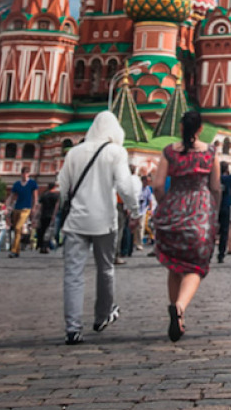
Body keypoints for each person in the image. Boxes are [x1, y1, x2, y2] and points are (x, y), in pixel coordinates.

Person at [57, 111, 142, 345]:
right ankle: (103, 315)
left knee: (73, 275)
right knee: (105, 270)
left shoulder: (74, 152)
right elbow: (125, 186)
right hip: (104, 220)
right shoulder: (116, 152)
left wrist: (67, 207)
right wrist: (134, 211)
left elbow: (63, 186)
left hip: (76, 221)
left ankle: (72, 329)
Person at [152, 111, 220, 342]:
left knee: (175, 264)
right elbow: (215, 187)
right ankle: (180, 306)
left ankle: (177, 316)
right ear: (200, 129)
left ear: (181, 128)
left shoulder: (169, 152)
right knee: (195, 266)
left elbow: (158, 185)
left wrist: (166, 206)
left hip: (174, 206)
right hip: (200, 211)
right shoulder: (210, 152)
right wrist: (213, 211)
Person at [6, 167, 37, 258]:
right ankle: (17, 250)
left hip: (26, 209)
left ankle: (13, 250)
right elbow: (11, 196)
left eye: (27, 173)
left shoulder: (32, 183)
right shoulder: (17, 184)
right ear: (21, 174)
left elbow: (35, 196)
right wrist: (7, 205)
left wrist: (34, 207)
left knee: (18, 227)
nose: (25, 175)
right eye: (24, 173)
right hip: (17, 208)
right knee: (17, 230)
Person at [216, 162, 231, 263]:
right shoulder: (227, 179)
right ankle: (221, 254)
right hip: (225, 205)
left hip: (214, 206)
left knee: (212, 230)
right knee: (224, 231)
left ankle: (208, 252)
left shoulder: (215, 178)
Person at [36, 182, 61, 253]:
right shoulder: (56, 196)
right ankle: (46, 247)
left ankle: (42, 247)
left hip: (43, 215)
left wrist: (37, 215)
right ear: (54, 187)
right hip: (51, 215)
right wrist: (54, 214)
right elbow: (57, 206)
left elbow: (40, 206)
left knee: (43, 231)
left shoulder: (44, 195)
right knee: (49, 232)